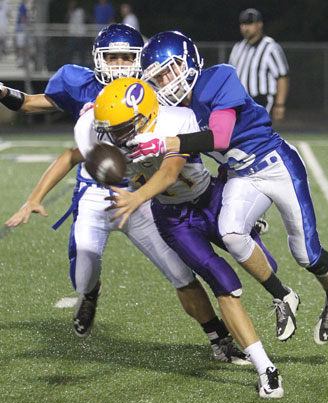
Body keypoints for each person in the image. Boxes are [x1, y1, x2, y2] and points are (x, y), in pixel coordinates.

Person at [2, 24, 250, 365]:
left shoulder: (157, 87)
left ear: (140, 59)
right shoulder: (81, 85)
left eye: (126, 57)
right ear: (98, 59)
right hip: (93, 191)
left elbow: (185, 141)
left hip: (139, 192)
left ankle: (219, 338)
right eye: (112, 56)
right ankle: (89, 292)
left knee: (180, 273)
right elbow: (31, 105)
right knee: (84, 272)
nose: (119, 64)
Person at [127, 30, 328, 345]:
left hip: (276, 165)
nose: (166, 82)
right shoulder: (172, 112)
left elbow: (220, 137)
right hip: (240, 175)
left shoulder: (219, 78)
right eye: (158, 78)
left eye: (169, 70)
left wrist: (167, 141)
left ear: (188, 61)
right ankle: (283, 296)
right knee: (230, 232)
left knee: (305, 254)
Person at [84, 77, 284, 398]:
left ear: (146, 114)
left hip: (210, 201)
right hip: (175, 219)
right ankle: (266, 368)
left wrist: (136, 198)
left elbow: (170, 171)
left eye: (122, 128)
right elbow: (80, 156)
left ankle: (263, 256)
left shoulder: (176, 119)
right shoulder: (114, 142)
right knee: (223, 282)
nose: (115, 136)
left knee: (264, 264)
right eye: (112, 129)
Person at [228, 8, 290, 123]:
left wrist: (279, 104)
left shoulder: (270, 47)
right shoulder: (238, 47)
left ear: (259, 25)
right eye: (243, 24)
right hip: (240, 100)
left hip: (261, 100)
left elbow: (282, 76)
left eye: (250, 24)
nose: (246, 28)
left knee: (254, 134)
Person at [66, 0, 87, 66]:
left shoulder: (80, 11)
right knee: (70, 52)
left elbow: (85, 19)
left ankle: (83, 66)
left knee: (82, 53)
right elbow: (66, 19)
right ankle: (69, 66)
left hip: (80, 34)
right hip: (72, 34)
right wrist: (69, 11)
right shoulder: (70, 12)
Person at [16, 0, 29, 67]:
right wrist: (24, 26)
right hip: (21, 28)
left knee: (22, 46)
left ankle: (21, 61)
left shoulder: (23, 6)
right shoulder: (22, 6)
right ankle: (20, 61)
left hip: (21, 27)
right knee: (21, 46)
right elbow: (22, 16)